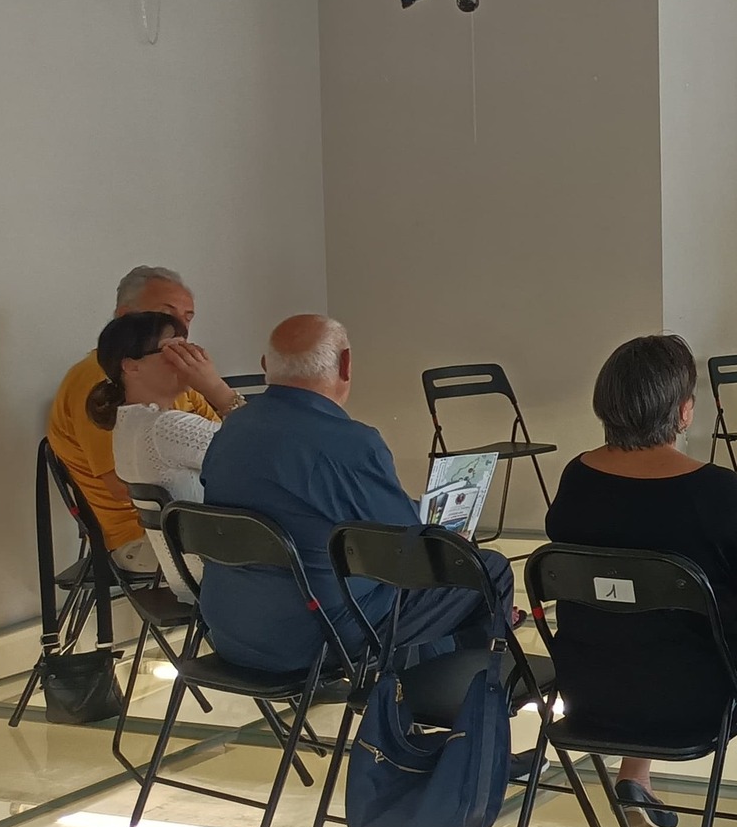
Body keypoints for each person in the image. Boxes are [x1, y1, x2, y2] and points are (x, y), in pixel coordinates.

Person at [198, 315, 514, 673]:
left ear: (265, 366)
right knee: (485, 569)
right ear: (346, 363)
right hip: (319, 637)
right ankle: (472, 693)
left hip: (231, 629)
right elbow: (410, 549)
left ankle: (420, 685)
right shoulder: (350, 443)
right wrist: (447, 529)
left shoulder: (231, 430)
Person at [543, 334, 737, 827]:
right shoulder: (716, 490)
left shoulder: (577, 478)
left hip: (590, 693)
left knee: (631, 613)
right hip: (699, 701)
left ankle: (634, 777)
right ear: (683, 412)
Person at [49, 267, 245, 574]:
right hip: (148, 538)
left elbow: (228, 438)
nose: (182, 330)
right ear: (126, 318)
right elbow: (121, 486)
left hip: (192, 532)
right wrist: (218, 391)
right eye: (167, 314)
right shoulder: (100, 380)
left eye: (188, 318)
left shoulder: (165, 389)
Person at [90, 312, 217, 601]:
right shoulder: (166, 427)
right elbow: (260, 451)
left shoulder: (129, 422)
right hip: (221, 577)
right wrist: (216, 388)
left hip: (189, 577)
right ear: (131, 366)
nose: (187, 360)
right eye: (174, 350)